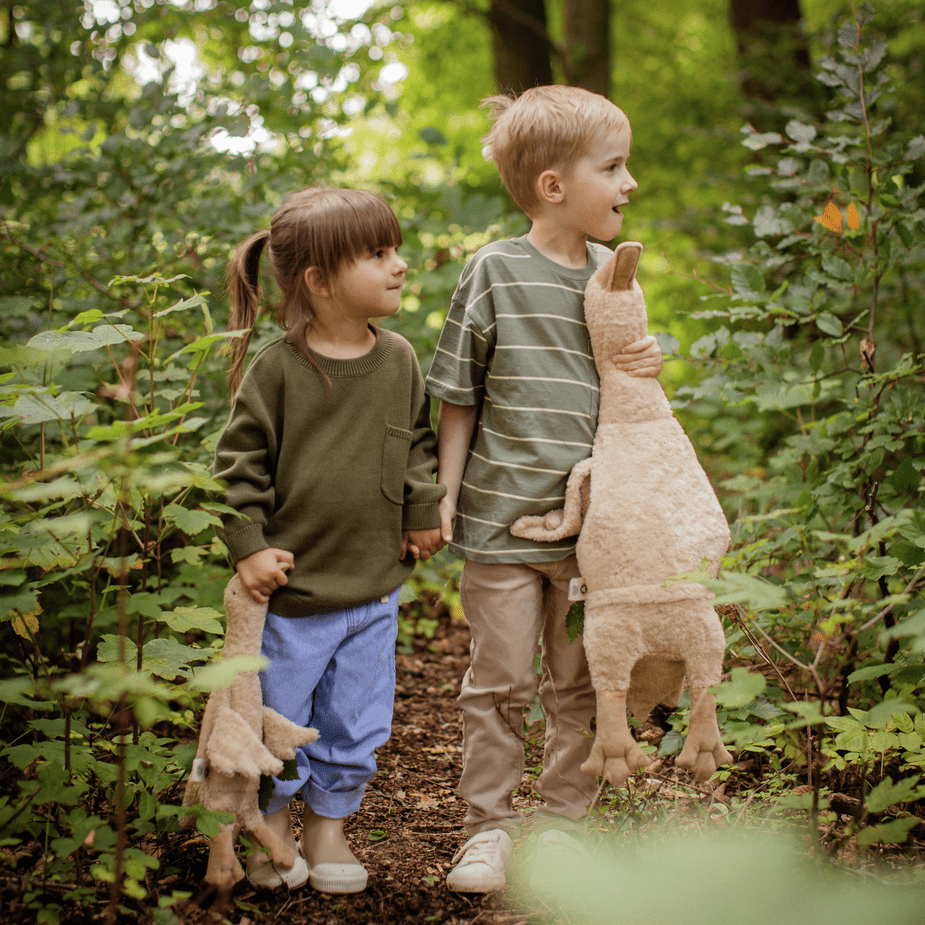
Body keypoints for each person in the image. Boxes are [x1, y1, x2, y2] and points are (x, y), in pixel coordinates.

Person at [425, 85, 663, 892]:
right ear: (554, 185)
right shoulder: (493, 270)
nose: (629, 184)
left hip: (592, 531)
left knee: (579, 681)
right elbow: (457, 394)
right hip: (497, 521)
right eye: (614, 167)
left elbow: (629, 394)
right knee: (497, 682)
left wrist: (644, 369)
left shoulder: (614, 273)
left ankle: (563, 823)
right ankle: (486, 828)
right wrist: (445, 494)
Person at [213, 187, 445, 894]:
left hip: (372, 588)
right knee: (282, 719)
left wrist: (420, 508)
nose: (399, 265)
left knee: (356, 718)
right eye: (377, 254)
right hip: (291, 598)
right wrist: (249, 544)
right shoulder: (279, 369)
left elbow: (416, 445)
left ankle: (330, 825)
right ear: (317, 280)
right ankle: (273, 824)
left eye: (394, 249)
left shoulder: (399, 357)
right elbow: (238, 465)